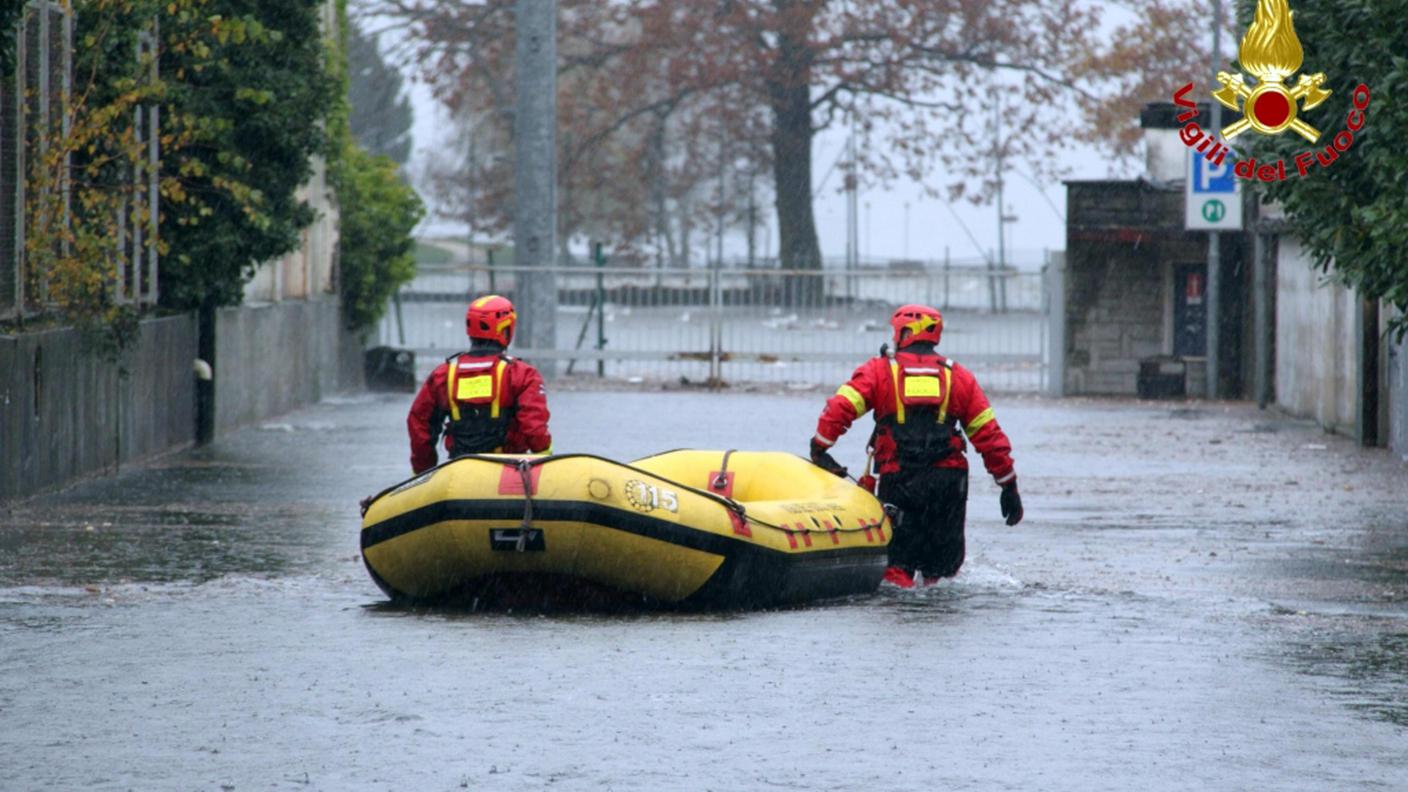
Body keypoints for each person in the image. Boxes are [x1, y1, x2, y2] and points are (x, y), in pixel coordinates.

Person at [808, 303, 1022, 587]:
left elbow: (840, 408)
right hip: (949, 484)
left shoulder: (879, 370)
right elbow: (989, 436)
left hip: (900, 481)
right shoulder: (958, 377)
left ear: (905, 331)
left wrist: (820, 446)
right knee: (942, 574)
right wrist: (1008, 485)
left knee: (897, 568)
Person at [406, 294, 552, 473]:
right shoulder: (521, 374)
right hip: (509, 471)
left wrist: (422, 471)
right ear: (505, 329)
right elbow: (534, 427)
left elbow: (419, 424)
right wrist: (545, 461)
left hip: (459, 469)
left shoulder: (443, 374)